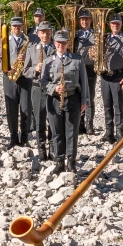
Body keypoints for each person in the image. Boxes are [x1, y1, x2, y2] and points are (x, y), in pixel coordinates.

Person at [39, 30, 89, 174]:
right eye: (58, 42)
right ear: (54, 43)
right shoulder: (48, 60)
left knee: (72, 131)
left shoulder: (77, 60)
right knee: (56, 131)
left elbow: (83, 81)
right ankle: (59, 161)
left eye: (63, 42)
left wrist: (84, 100)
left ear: (68, 43)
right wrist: (54, 88)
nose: (61, 45)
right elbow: (42, 81)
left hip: (73, 98)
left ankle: (71, 161)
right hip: (54, 99)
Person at [24, 23, 55, 159]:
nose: (45, 35)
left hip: (52, 89)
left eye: (47, 33)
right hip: (37, 88)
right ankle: (41, 150)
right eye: (42, 33)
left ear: (51, 34)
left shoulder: (57, 48)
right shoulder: (31, 50)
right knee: (39, 121)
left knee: (53, 120)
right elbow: (25, 71)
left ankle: (53, 149)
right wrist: (35, 69)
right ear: (38, 34)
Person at [98, 16, 123, 143]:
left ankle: (120, 132)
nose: (115, 25)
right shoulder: (104, 38)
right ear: (109, 25)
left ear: (121, 25)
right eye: (113, 23)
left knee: (118, 105)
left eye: (117, 23)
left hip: (119, 76)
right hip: (105, 75)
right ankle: (109, 132)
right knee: (107, 105)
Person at [2, 17, 30, 147]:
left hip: (25, 78)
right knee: (11, 109)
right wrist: (8, 67)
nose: (16, 28)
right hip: (10, 78)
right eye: (14, 26)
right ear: (11, 27)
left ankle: (25, 138)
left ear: (22, 26)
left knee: (25, 109)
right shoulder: (4, 41)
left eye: (19, 26)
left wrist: (26, 58)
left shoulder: (29, 40)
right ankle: (13, 138)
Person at [74, 9, 97, 135]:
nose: (85, 21)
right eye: (82, 19)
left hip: (90, 67)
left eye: (87, 19)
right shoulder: (74, 34)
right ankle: (80, 123)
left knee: (89, 95)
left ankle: (89, 123)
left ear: (90, 20)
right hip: (77, 67)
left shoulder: (97, 35)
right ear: (79, 21)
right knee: (77, 95)